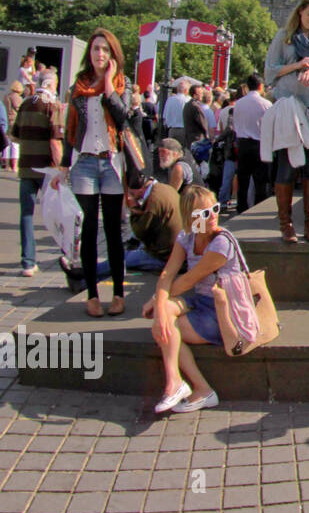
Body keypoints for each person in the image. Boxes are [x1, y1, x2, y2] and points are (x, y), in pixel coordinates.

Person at [53, 29, 130, 318]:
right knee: (88, 229)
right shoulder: (80, 85)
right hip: (84, 162)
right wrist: (63, 164)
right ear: (89, 53)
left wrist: (108, 83)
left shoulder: (121, 83)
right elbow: (71, 128)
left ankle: (119, 293)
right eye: (96, 49)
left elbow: (122, 117)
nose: (100, 54)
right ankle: (93, 294)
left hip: (111, 162)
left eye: (105, 50)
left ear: (113, 55)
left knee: (112, 231)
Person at [142, 186, 230, 415]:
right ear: (191, 219)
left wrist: (157, 304)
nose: (212, 217)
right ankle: (178, 383)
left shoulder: (221, 243)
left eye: (215, 209)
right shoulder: (186, 237)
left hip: (223, 311)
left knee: (165, 328)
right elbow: (166, 275)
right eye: (204, 213)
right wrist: (160, 305)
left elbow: (188, 280)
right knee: (164, 320)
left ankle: (197, 387)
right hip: (201, 301)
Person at [264, 0, 309, 244]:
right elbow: (270, 71)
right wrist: (298, 65)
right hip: (289, 105)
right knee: (287, 162)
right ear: (300, 12)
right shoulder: (283, 37)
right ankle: (286, 224)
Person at [62, 171, 185, 291]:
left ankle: (83, 275)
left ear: (140, 188)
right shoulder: (162, 188)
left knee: (123, 259)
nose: (129, 196)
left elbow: (139, 232)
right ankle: (84, 278)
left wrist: (133, 208)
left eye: (131, 193)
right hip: (174, 249)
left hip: (165, 256)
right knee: (125, 256)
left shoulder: (153, 202)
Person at [13, 70, 62, 277]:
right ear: (52, 85)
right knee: (58, 214)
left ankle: (28, 262)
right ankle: (65, 256)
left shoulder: (25, 104)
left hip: (26, 166)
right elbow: (55, 141)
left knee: (26, 214)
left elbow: (14, 135)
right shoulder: (52, 106)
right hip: (46, 169)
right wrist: (60, 168)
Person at [231, 74, 271, 214]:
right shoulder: (266, 104)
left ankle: (241, 207)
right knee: (260, 180)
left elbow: (235, 123)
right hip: (259, 144)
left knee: (243, 179)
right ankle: (258, 207)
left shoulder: (239, 104)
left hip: (243, 143)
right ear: (261, 86)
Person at [182, 84, 208, 152]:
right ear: (195, 95)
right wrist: (207, 135)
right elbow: (202, 123)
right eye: (200, 93)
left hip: (189, 137)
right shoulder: (195, 106)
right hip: (197, 138)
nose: (202, 95)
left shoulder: (187, 105)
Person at [3, 81, 23, 171]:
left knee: (6, 143)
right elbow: (18, 107)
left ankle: (7, 165)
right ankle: (14, 165)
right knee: (15, 144)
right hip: (14, 121)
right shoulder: (16, 97)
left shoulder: (7, 96)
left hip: (7, 120)